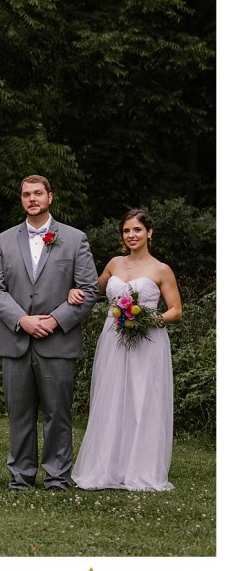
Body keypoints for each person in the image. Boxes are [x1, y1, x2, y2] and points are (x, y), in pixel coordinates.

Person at [0, 175, 98, 491]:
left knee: (58, 415)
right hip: (16, 340)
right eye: (26, 194)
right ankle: (20, 476)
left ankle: (57, 477)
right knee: (19, 415)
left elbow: (88, 290)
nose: (32, 198)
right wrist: (23, 320)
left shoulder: (74, 239)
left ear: (50, 197)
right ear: (21, 200)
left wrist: (55, 320)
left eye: (37, 193)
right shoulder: (4, 241)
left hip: (58, 341)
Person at [71, 210, 182, 491]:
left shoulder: (161, 269)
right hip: (113, 338)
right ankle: (108, 465)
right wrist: (73, 292)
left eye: (137, 230)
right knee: (112, 396)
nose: (131, 235)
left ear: (149, 233)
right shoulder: (114, 264)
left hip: (147, 340)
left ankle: (140, 468)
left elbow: (175, 311)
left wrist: (145, 319)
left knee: (142, 398)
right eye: (126, 231)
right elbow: (90, 291)